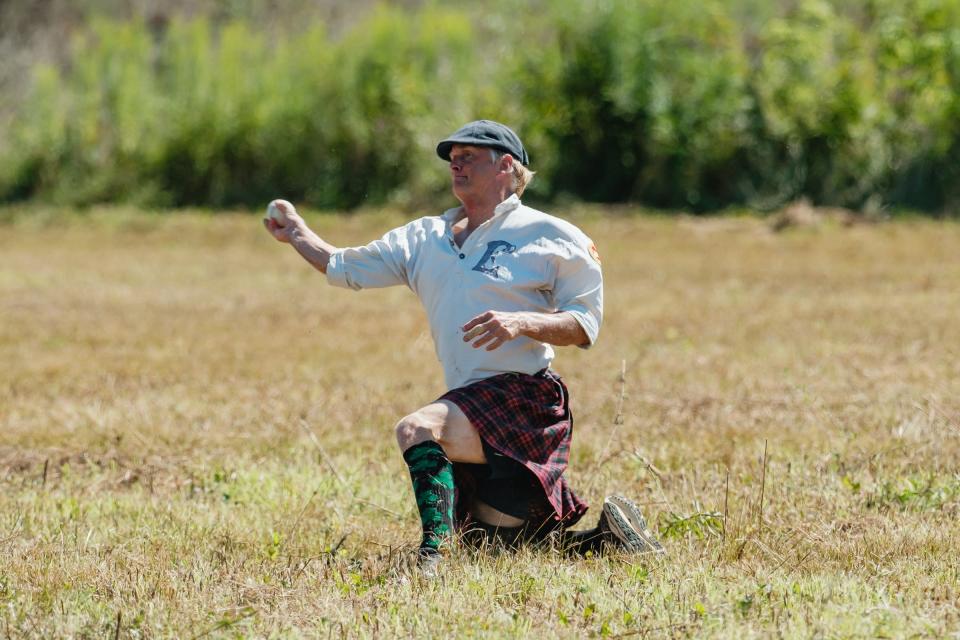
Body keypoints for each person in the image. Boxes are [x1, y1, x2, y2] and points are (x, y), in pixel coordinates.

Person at [264, 120, 663, 575]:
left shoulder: (552, 236)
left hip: (525, 400)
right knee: (494, 551)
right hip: (471, 405)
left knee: (417, 428)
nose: (456, 162)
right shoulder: (423, 239)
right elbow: (342, 265)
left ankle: (432, 557)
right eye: (453, 156)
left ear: (507, 167)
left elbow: (584, 324)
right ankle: (608, 541)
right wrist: (297, 233)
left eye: (470, 155)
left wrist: (521, 322)